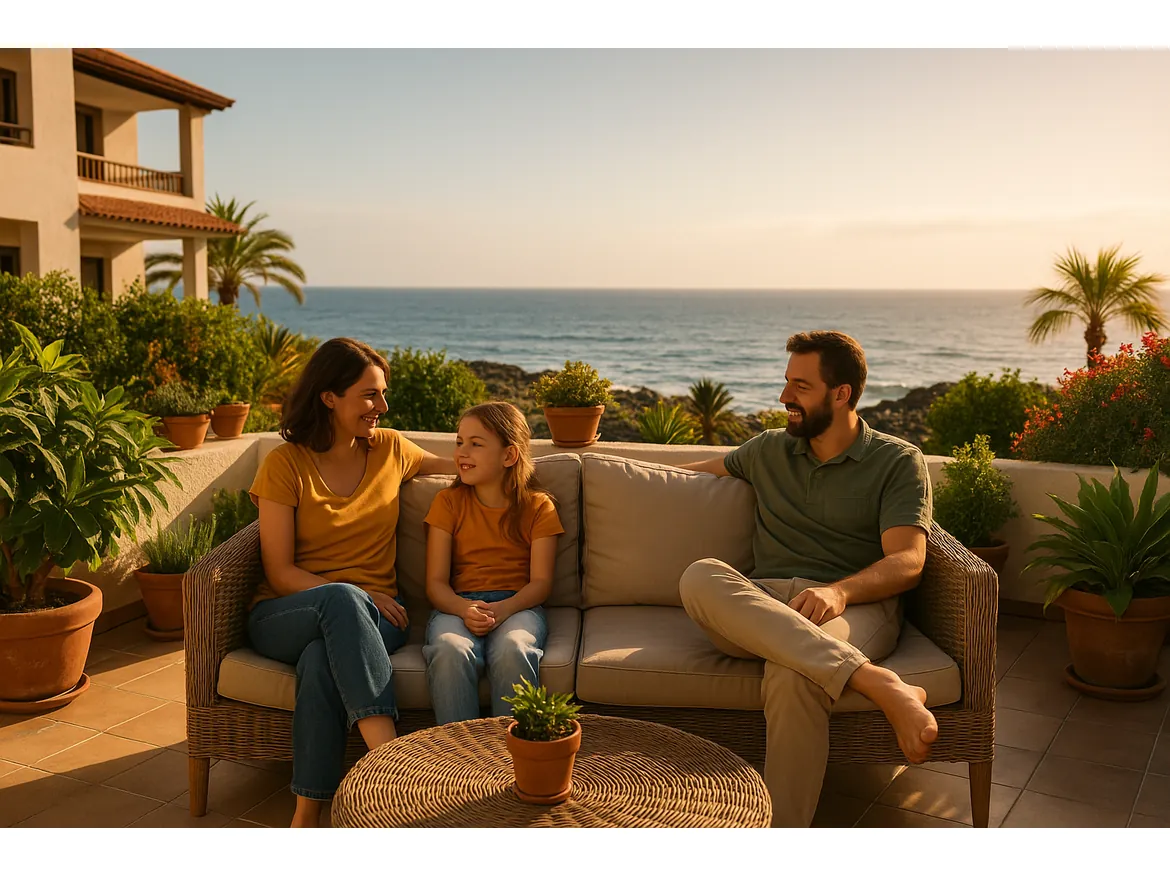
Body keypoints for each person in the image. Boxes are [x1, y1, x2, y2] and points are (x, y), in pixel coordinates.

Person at [677, 330, 939, 828]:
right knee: (700, 575)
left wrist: (840, 590)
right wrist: (595, 473)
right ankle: (878, 683)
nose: (783, 398)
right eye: (785, 383)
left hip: (852, 608)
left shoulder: (897, 461)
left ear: (841, 394)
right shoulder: (767, 450)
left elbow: (909, 560)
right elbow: (685, 476)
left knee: (796, 671)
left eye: (800, 386)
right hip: (762, 604)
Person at [247, 337, 457, 828]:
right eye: (370, 395)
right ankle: (394, 768)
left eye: (382, 394)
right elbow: (278, 572)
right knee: (341, 601)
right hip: (286, 612)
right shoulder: (285, 465)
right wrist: (359, 595)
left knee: (322, 660)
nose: (382, 406)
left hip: (381, 620)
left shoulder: (390, 449)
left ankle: (306, 815)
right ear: (329, 398)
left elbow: (462, 468)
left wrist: (523, 461)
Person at [422, 401, 564, 724]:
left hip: (518, 606)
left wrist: (505, 608)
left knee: (514, 648)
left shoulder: (539, 507)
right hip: (457, 605)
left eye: (475, 444)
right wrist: (462, 609)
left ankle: (510, 757)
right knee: (448, 650)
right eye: (459, 442)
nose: (462, 452)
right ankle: (459, 758)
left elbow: (541, 583)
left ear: (509, 456)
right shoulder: (447, 503)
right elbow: (435, 583)